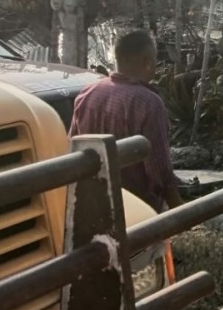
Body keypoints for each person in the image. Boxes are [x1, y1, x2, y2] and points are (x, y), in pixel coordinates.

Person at [69, 30, 183, 213]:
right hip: (136, 209)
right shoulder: (149, 103)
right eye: (155, 59)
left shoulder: (87, 93)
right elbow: (159, 171)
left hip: (93, 204)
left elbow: (73, 148)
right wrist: (180, 211)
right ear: (147, 62)